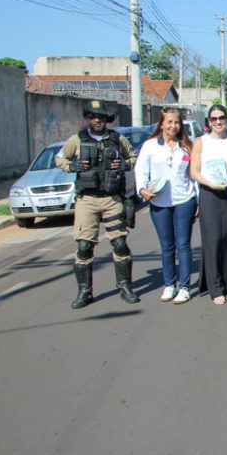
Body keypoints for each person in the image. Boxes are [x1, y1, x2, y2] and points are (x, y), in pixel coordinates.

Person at [56, 99, 140, 309]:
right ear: (87, 118)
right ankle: (85, 291)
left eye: (101, 117)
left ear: (106, 119)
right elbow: (60, 159)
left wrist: (124, 163)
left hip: (112, 199)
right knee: (84, 246)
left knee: (120, 244)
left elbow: (134, 157)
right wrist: (72, 165)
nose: (97, 120)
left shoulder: (116, 138)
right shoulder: (77, 140)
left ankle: (125, 286)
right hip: (88, 200)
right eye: (93, 116)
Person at [135, 107, 197, 305]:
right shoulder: (150, 146)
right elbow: (140, 171)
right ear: (161, 124)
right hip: (159, 203)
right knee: (166, 246)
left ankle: (185, 287)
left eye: (177, 122)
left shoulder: (187, 146)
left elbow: (194, 175)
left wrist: (199, 201)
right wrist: (142, 190)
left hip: (184, 201)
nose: (173, 126)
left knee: (184, 245)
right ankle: (169, 284)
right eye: (169, 122)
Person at [190, 104, 227, 304]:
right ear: (208, 122)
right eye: (213, 119)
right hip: (210, 194)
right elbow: (194, 171)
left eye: (221, 117)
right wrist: (210, 184)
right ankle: (216, 287)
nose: (218, 122)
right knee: (212, 240)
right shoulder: (200, 142)